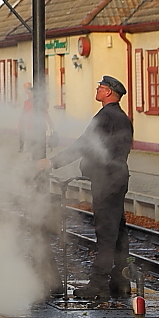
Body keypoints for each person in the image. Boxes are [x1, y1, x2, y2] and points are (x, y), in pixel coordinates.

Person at [40, 75, 132, 300]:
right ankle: (120, 282)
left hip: (107, 180)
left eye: (100, 87)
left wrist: (52, 162)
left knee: (106, 234)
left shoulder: (107, 116)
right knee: (117, 232)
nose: (97, 89)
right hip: (115, 178)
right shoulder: (119, 117)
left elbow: (84, 144)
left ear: (109, 92)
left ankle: (98, 285)